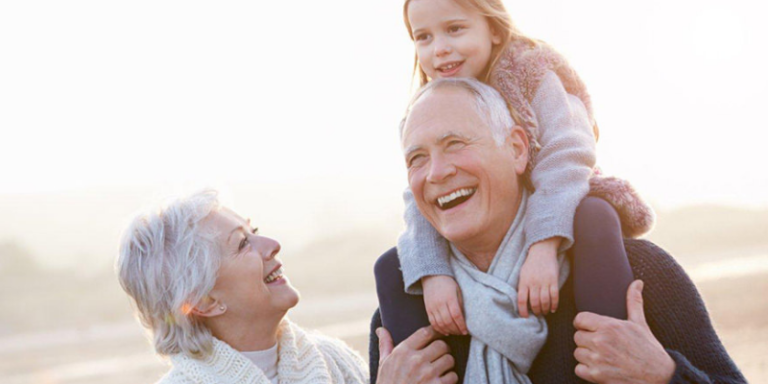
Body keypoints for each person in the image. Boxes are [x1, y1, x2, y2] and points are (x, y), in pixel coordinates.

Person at [370, 78, 746, 383]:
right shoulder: (402, 319)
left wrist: (663, 375)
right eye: (417, 158)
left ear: (517, 149)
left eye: (455, 144)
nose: (436, 172)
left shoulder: (638, 273)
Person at [391, 0, 654, 342]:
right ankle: (424, 366)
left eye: (454, 29)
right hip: (490, 223)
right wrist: (432, 274)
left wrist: (543, 246)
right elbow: (420, 198)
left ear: (495, 30)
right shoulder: (428, 108)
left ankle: (607, 342)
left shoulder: (532, 72)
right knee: (390, 266)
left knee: (595, 214)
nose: (439, 49)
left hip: (560, 199)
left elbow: (567, 153)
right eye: (423, 37)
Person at [116, 190, 455, 384]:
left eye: (255, 230)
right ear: (204, 300)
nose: (272, 244)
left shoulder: (331, 359)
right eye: (241, 244)